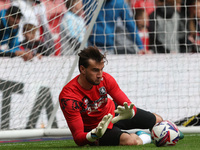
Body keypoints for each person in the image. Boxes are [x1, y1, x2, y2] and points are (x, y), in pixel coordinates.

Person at [59, 46, 164, 146]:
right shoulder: (68, 97)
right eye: (95, 70)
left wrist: (130, 113)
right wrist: (94, 134)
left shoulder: (105, 79)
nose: (100, 75)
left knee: (158, 121)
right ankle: (144, 136)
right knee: (130, 141)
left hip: (114, 113)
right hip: (98, 128)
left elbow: (128, 104)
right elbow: (78, 138)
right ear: (82, 69)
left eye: (101, 69)